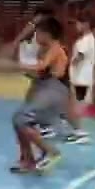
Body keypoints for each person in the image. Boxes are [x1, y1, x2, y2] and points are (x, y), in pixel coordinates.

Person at [11, 15, 69, 173]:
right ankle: (27, 158)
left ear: (46, 34)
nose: (35, 36)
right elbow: (39, 74)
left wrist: (20, 66)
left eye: (37, 33)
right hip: (43, 88)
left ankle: (50, 151)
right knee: (18, 120)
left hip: (53, 89)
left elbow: (42, 67)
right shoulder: (43, 50)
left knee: (21, 120)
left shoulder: (55, 48)